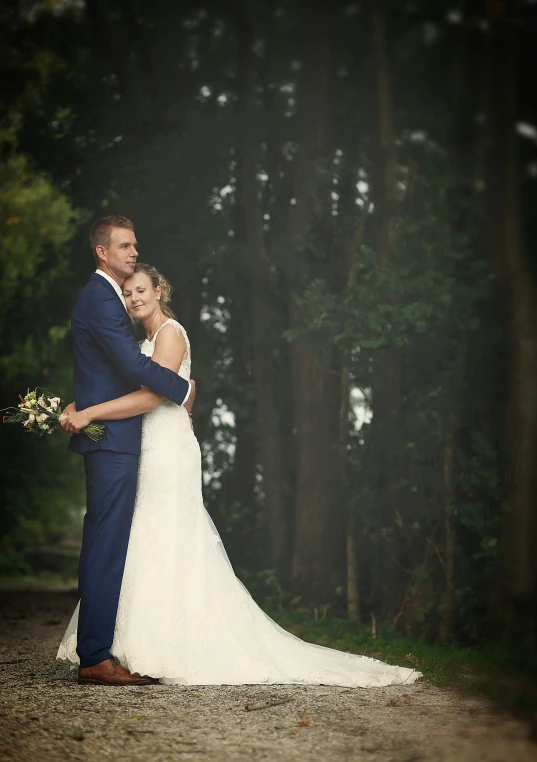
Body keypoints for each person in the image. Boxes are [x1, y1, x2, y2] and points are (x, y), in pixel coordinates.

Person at [58, 261, 421, 688]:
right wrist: (74, 407)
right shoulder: (145, 341)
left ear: (159, 290)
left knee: (171, 537)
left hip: (169, 452)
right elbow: (140, 388)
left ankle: (172, 645)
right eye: (129, 294)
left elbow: (151, 398)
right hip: (148, 451)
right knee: (146, 539)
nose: (135, 298)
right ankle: (136, 644)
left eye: (141, 290)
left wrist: (89, 414)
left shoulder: (172, 334)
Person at [60, 217, 195, 686]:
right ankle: (96, 655)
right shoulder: (101, 298)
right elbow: (131, 364)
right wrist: (180, 388)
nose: (133, 252)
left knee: (112, 543)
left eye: (136, 245)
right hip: (113, 443)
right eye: (124, 245)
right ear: (102, 252)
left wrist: (86, 403)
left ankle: (102, 649)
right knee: (105, 545)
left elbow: (108, 369)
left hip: (120, 439)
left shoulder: (109, 298)